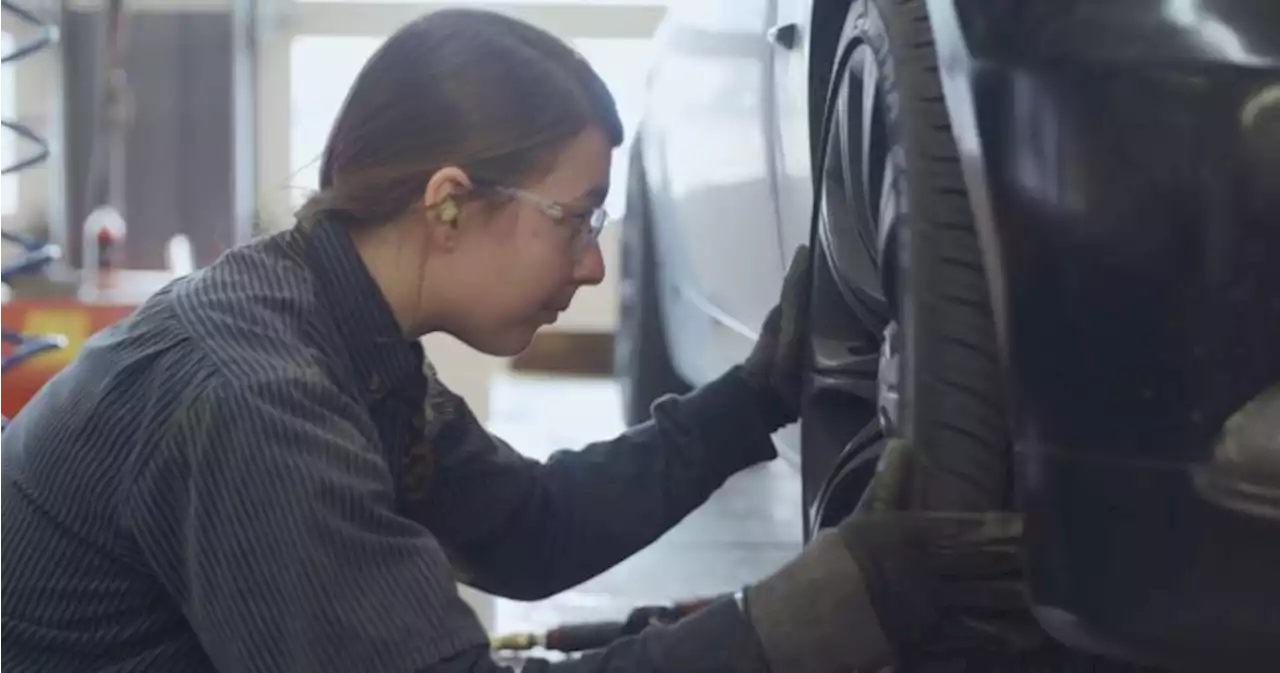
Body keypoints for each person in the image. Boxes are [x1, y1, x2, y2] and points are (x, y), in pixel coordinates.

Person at [0, 9, 1024, 673]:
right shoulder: (250, 395)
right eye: (575, 218)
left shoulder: (335, 324)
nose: (589, 266)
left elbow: (527, 529)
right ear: (449, 203)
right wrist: (800, 619)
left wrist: (750, 399)